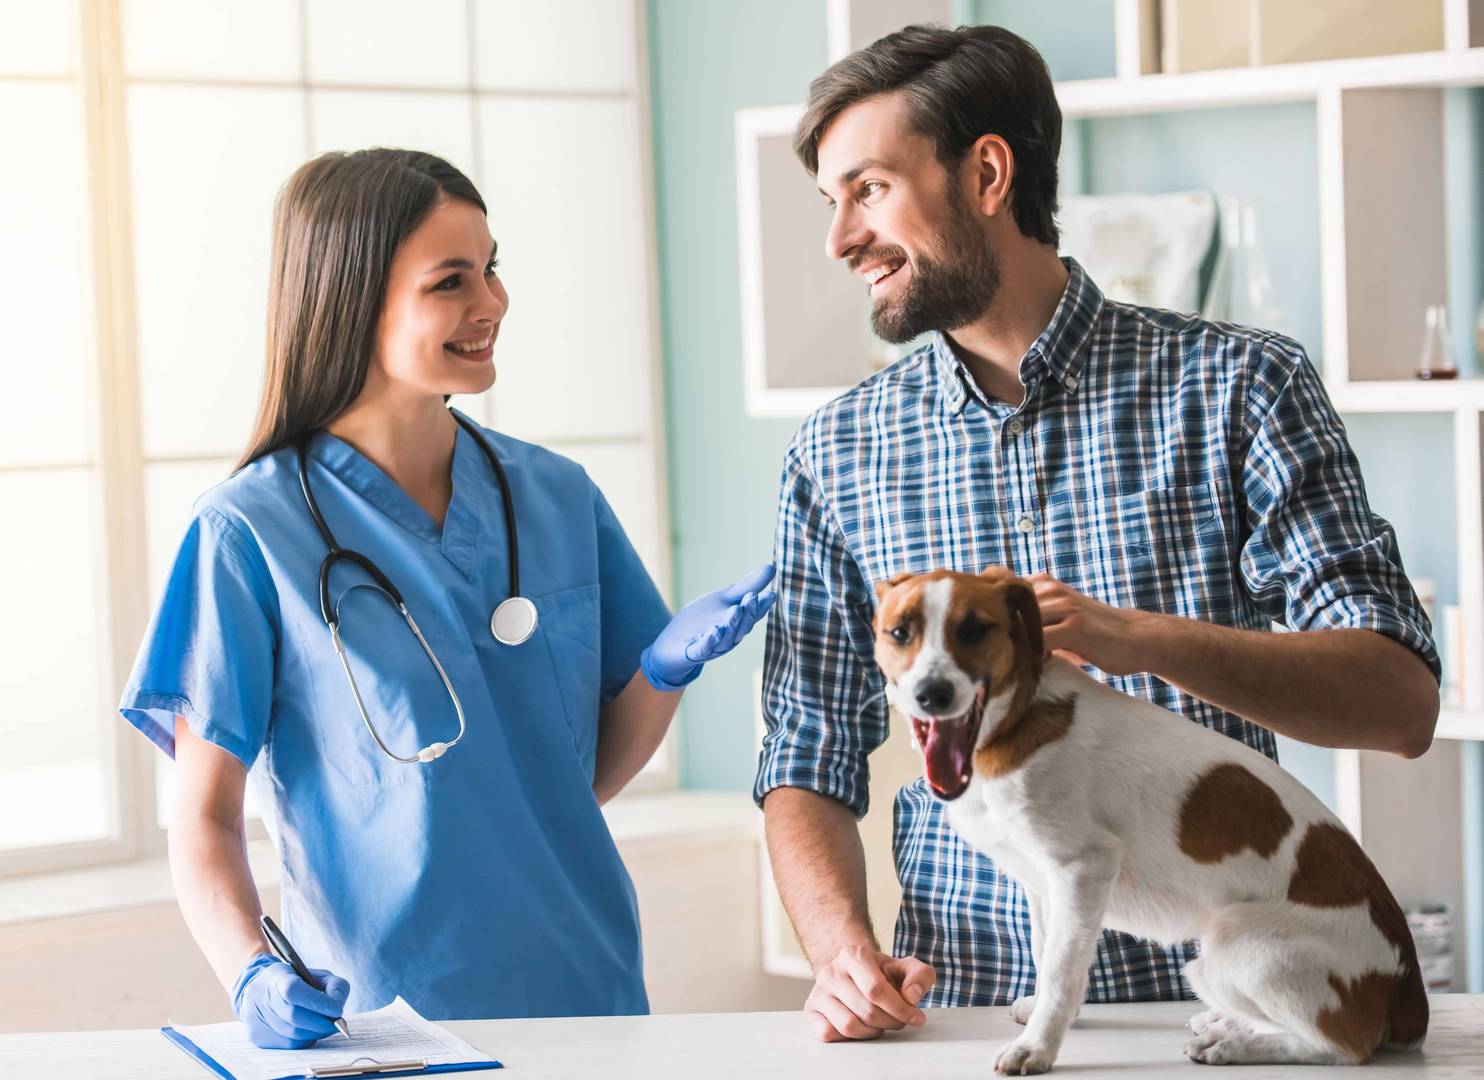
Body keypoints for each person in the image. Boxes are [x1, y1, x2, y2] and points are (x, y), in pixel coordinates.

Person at [755, 24, 1441, 1043]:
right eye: (832, 203)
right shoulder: (836, 450)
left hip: (1234, 1014)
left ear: (986, 172)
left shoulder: (1240, 391)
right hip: (970, 1020)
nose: (839, 240)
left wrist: (1128, 638)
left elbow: (1398, 701)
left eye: (868, 191)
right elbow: (805, 751)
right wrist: (840, 950)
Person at [120, 149, 774, 1049]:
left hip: (590, 994)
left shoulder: (556, 495)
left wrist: (662, 674)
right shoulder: (249, 533)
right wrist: (250, 971)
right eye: (451, 281)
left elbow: (568, 785)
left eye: (492, 268)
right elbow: (203, 814)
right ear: (355, 301)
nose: (492, 303)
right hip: (387, 1019)